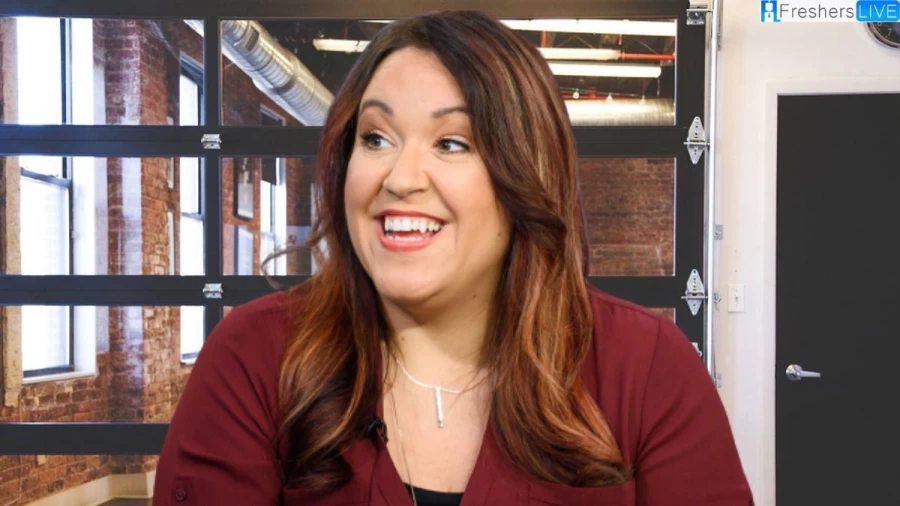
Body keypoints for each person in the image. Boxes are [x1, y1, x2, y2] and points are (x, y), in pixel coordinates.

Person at [154, 10, 754, 506]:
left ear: (526, 175)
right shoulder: (255, 357)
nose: (400, 177)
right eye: (376, 138)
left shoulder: (647, 369)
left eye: (451, 143)